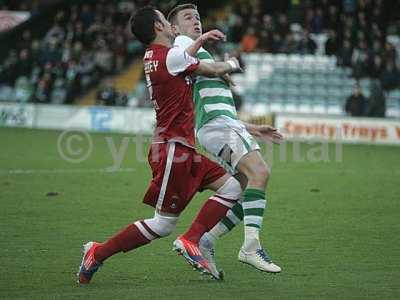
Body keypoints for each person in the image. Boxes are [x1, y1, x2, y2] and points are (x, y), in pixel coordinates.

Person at [77, 6, 244, 283]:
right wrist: (234, 64)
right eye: (166, 20)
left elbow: (184, 59)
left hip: (182, 149)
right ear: (158, 27)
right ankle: (97, 252)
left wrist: (200, 41)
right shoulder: (170, 56)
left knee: (233, 185)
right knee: (163, 223)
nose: (170, 24)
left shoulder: (156, 56)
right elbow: (211, 68)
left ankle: (192, 239)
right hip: (172, 149)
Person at [168, 3, 282, 274]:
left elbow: (214, 105)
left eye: (197, 17)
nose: (195, 21)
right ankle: (250, 247)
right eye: (187, 17)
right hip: (219, 127)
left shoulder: (198, 54)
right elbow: (179, 58)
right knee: (260, 173)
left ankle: (205, 239)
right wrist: (228, 64)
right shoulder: (183, 45)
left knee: (244, 189)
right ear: (174, 28)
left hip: (222, 126)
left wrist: (252, 129)